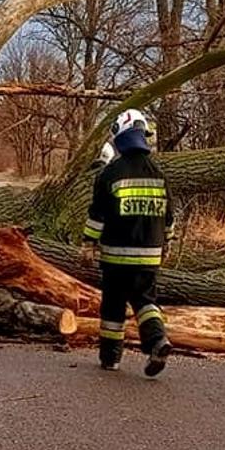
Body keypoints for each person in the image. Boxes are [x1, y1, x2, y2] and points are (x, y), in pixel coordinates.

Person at [82, 108, 173, 375]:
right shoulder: (159, 174)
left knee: (113, 306)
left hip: (115, 256)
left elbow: (97, 215)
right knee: (146, 302)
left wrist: (88, 243)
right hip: (150, 255)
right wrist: (169, 244)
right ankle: (157, 340)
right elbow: (169, 217)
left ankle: (111, 359)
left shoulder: (110, 173)